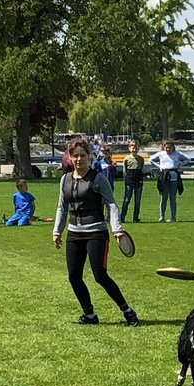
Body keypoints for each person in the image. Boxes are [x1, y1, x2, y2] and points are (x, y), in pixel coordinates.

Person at [52, 138, 139, 326]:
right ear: (70, 157)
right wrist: (57, 231)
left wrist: (117, 229)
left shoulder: (98, 178)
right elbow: (62, 207)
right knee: (74, 277)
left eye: (82, 155)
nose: (78, 159)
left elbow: (112, 204)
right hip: (74, 233)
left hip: (96, 233)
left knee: (100, 276)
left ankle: (128, 311)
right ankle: (89, 315)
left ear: (89, 156)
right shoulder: (64, 179)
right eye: (75, 156)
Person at [149, 140, 189, 223]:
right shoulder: (161, 154)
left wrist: (179, 165)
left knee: (172, 198)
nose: (168, 149)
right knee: (163, 197)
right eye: (166, 147)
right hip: (164, 177)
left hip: (174, 178)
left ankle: (173, 217)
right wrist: (159, 166)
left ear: (173, 147)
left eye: (169, 147)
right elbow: (151, 159)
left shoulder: (177, 154)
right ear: (164, 147)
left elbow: (188, 159)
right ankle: (162, 217)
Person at [119, 139, 145, 223]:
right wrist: (125, 181)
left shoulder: (141, 159)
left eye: (136, 147)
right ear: (129, 148)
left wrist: (141, 180)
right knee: (127, 200)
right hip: (129, 181)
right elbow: (124, 171)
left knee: (137, 201)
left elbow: (141, 169)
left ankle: (135, 217)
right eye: (133, 147)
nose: (134, 149)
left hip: (138, 181)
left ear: (139, 148)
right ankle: (122, 217)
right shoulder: (127, 159)